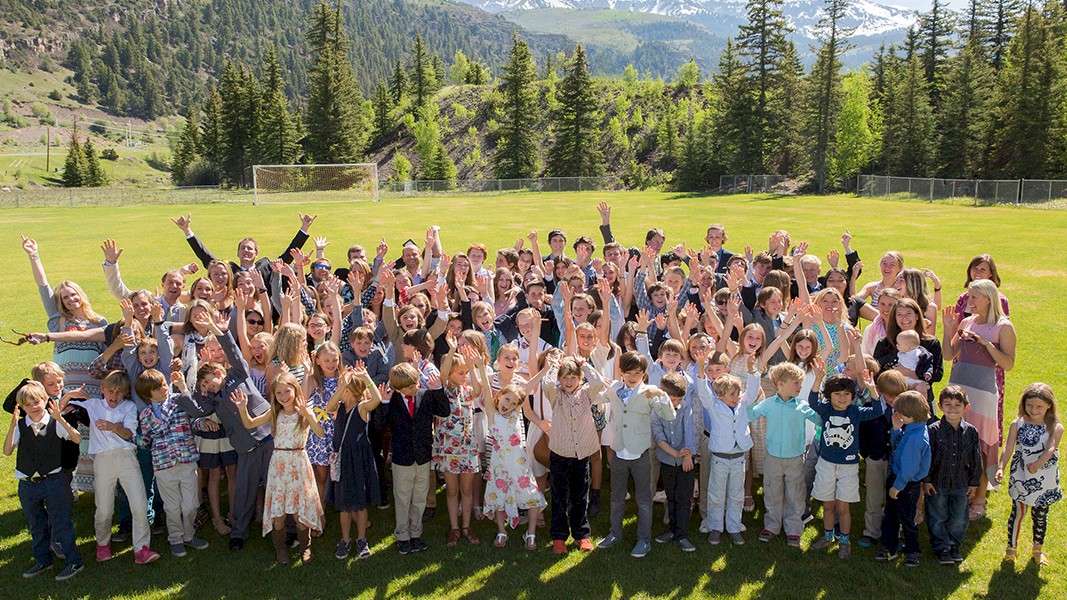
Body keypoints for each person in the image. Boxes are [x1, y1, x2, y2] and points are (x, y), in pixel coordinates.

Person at [63, 370, 158, 565]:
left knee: (139, 505)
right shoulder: (93, 405)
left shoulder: (129, 407)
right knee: (104, 509)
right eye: (111, 391)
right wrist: (69, 395)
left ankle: (142, 549)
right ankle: (103, 544)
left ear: (125, 393)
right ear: (102, 390)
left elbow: (129, 433)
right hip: (103, 460)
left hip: (127, 458)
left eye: (119, 392)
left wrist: (113, 427)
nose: (114, 396)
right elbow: (59, 410)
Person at [942, 279, 1017, 520]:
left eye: (974, 297)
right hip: (959, 387)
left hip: (983, 393)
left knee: (982, 444)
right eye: (969, 296)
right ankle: (961, 490)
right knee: (956, 440)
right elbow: (948, 354)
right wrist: (947, 329)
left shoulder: (1003, 327)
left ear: (988, 298)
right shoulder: (965, 322)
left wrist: (987, 345)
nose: (969, 301)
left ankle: (981, 496)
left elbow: (1008, 364)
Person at [231, 372, 325, 565]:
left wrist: (308, 415)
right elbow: (250, 423)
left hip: (298, 463)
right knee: (279, 513)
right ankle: (280, 548)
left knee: (300, 514)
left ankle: (305, 547)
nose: (283, 396)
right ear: (274, 395)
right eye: (279, 393)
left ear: (295, 390)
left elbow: (320, 433)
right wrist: (242, 409)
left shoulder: (304, 410)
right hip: (279, 466)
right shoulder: (275, 412)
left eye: (287, 391)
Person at [596, 351, 676, 559]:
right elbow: (596, 396)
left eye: (638, 373)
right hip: (618, 451)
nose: (633, 377)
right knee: (616, 497)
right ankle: (615, 534)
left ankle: (644, 540)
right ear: (621, 372)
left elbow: (669, 415)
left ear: (644, 374)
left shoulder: (650, 391)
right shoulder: (614, 388)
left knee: (643, 499)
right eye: (629, 372)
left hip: (640, 453)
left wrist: (663, 396)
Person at [4, 381, 85, 581]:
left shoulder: (55, 422)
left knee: (61, 523)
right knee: (36, 525)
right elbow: (6, 451)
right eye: (27, 405)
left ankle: (73, 561)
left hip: (54, 482)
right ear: (22, 408)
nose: (33, 407)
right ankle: (43, 560)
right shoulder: (22, 426)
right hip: (28, 484)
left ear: (45, 400)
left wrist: (61, 419)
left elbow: (76, 439)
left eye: (37, 402)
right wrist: (13, 424)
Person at [807, 371, 884, 559]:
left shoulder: (855, 412)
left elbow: (877, 410)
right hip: (826, 464)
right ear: (829, 396)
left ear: (852, 396)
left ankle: (844, 541)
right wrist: (818, 380)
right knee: (828, 505)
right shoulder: (826, 410)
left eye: (846, 394)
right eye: (837, 394)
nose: (842, 398)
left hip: (848, 467)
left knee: (843, 507)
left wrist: (872, 389)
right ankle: (828, 537)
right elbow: (812, 402)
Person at [136, 368, 207, 558]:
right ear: (147, 394)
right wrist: (134, 438)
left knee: (190, 505)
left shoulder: (179, 401)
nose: (164, 389)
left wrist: (204, 424)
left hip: (186, 460)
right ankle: (176, 539)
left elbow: (194, 420)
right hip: (164, 465)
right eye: (158, 388)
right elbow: (144, 441)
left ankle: (189, 535)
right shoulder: (145, 415)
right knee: (172, 507)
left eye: (164, 384)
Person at [541, 355, 609, 555]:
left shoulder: (587, 394)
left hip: (581, 454)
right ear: (560, 379)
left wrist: (583, 364)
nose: (569, 382)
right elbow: (546, 384)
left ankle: (581, 534)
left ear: (580, 379)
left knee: (580, 496)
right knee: (559, 495)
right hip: (560, 453)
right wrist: (555, 366)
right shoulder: (556, 396)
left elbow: (596, 381)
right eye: (565, 378)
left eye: (573, 378)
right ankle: (559, 537)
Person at [750, 363, 821, 547]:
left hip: (795, 458)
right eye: (796, 383)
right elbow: (749, 415)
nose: (799, 387)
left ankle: (794, 529)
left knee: (795, 493)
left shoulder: (802, 406)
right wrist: (752, 398)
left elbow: (820, 419)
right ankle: (772, 526)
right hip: (773, 457)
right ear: (780, 384)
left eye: (800, 383)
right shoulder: (768, 404)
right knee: (773, 491)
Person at [383, 363, 449, 555]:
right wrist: (384, 403)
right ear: (397, 388)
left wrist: (438, 390)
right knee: (402, 497)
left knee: (420, 497)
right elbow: (379, 424)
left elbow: (444, 411)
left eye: (416, 383)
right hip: (402, 458)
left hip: (422, 456)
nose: (415, 388)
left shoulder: (425, 395)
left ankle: (416, 532)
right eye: (410, 387)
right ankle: (402, 535)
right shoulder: (392, 400)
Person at [995, 383, 1062, 566]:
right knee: (1018, 512)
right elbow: (1009, 447)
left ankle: (1037, 549)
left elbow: (1051, 448)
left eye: (1039, 406)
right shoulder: (1017, 423)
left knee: (1040, 515)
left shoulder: (1055, 427)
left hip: (1044, 477)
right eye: (1029, 405)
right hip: (1022, 475)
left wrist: (1038, 464)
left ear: (1049, 405)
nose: (1033, 410)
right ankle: (1011, 548)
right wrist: (1001, 466)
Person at [477, 375, 546, 551]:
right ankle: (502, 531)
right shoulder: (492, 414)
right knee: (498, 497)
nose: (509, 405)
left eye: (514, 403)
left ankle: (530, 534)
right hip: (499, 466)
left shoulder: (515, 414)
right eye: (507, 399)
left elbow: (527, 388)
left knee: (531, 496)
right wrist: (479, 365)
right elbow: (485, 386)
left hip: (519, 465)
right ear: (499, 395)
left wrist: (544, 369)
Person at [700, 354, 761, 547]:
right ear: (720, 395)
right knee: (716, 494)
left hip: (738, 458)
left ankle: (734, 526)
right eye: (732, 395)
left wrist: (752, 370)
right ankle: (715, 526)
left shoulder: (742, 404)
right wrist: (702, 368)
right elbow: (703, 392)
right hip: (719, 457)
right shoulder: (714, 405)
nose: (737, 397)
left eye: (737, 393)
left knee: (736, 494)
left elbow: (752, 392)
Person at [325, 366, 383, 560]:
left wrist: (367, 378)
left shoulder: (361, 407)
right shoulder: (339, 408)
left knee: (359, 502)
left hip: (358, 459)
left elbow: (376, 399)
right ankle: (345, 539)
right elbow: (329, 406)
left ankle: (361, 539)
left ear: (352, 391)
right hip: (343, 460)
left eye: (345, 388)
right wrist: (341, 385)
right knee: (344, 503)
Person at [924, 386, 982, 565]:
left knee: (959, 517)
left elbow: (976, 458)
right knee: (937, 515)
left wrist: (974, 483)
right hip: (938, 482)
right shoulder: (933, 430)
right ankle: (941, 547)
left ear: (966, 407)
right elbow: (927, 457)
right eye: (948, 404)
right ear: (940, 406)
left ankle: (953, 544)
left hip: (961, 483)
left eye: (958, 405)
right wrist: (926, 481)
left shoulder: (971, 432)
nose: (952, 408)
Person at [432, 343, 483, 548]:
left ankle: (466, 526)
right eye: (460, 372)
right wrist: (452, 351)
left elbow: (479, 388)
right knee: (452, 491)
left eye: (466, 372)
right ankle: (454, 527)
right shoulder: (441, 390)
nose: (465, 376)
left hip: (467, 447)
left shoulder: (468, 391)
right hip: (447, 449)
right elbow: (443, 374)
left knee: (467, 490)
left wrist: (472, 364)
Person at [876, 391, 931, 568]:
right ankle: (890, 545)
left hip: (905, 484)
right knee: (891, 515)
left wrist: (897, 486)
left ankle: (912, 550)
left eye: (900, 412)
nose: (897, 414)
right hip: (899, 479)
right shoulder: (912, 429)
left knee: (906, 518)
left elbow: (910, 466)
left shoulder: (916, 437)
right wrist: (895, 429)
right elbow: (897, 446)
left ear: (911, 415)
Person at [856, 370, 907, 548]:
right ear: (880, 391)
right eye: (889, 395)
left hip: (897, 462)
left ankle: (895, 533)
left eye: (897, 395)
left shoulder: (906, 410)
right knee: (873, 497)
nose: (893, 399)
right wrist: (868, 454)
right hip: (875, 458)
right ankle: (871, 532)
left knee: (895, 498)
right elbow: (862, 433)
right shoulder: (871, 406)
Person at [652, 372, 700, 551]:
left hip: (685, 461)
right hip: (668, 458)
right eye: (672, 400)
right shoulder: (656, 409)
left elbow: (689, 431)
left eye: (678, 400)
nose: (676, 404)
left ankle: (682, 534)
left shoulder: (686, 407)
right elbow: (659, 437)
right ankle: (672, 530)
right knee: (670, 496)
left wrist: (687, 456)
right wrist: (676, 454)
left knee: (683, 498)